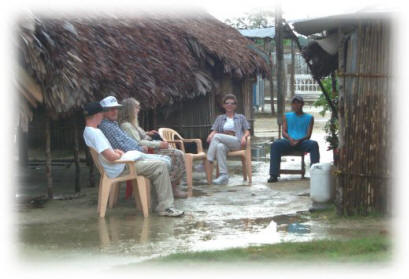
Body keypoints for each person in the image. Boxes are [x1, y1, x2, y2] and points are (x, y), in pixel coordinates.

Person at [82, 101, 184, 217]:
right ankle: (165, 207)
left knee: (159, 163)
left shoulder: (88, 131)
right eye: (102, 112)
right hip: (120, 167)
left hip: (117, 165)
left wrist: (115, 152)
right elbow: (110, 157)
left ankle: (157, 203)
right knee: (160, 165)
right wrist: (118, 154)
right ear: (98, 114)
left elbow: (106, 152)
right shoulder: (96, 133)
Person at [118, 97, 187, 199]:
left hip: (148, 149)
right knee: (177, 155)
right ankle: (172, 188)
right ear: (130, 110)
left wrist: (147, 133)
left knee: (178, 154)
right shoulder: (126, 125)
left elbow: (139, 135)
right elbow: (138, 142)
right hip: (145, 151)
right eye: (136, 107)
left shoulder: (132, 124)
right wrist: (159, 144)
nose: (138, 109)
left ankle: (173, 186)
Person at [268, 95, 320, 183]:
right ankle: (273, 175)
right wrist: (290, 139)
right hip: (289, 141)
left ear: (302, 104)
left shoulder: (309, 118)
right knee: (275, 145)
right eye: (294, 103)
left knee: (314, 144)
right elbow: (284, 132)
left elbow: (308, 135)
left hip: (302, 142)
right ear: (292, 105)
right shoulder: (287, 116)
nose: (296, 105)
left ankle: (316, 174)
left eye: (298, 103)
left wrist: (298, 140)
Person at [206, 94, 250, 185]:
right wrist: (210, 135)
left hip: (237, 141)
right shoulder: (220, 118)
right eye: (227, 103)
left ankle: (207, 161)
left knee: (217, 136)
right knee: (219, 146)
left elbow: (247, 131)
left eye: (232, 103)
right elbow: (214, 130)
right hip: (225, 143)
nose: (230, 105)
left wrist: (244, 137)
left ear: (235, 106)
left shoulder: (241, 117)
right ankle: (224, 175)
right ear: (224, 105)